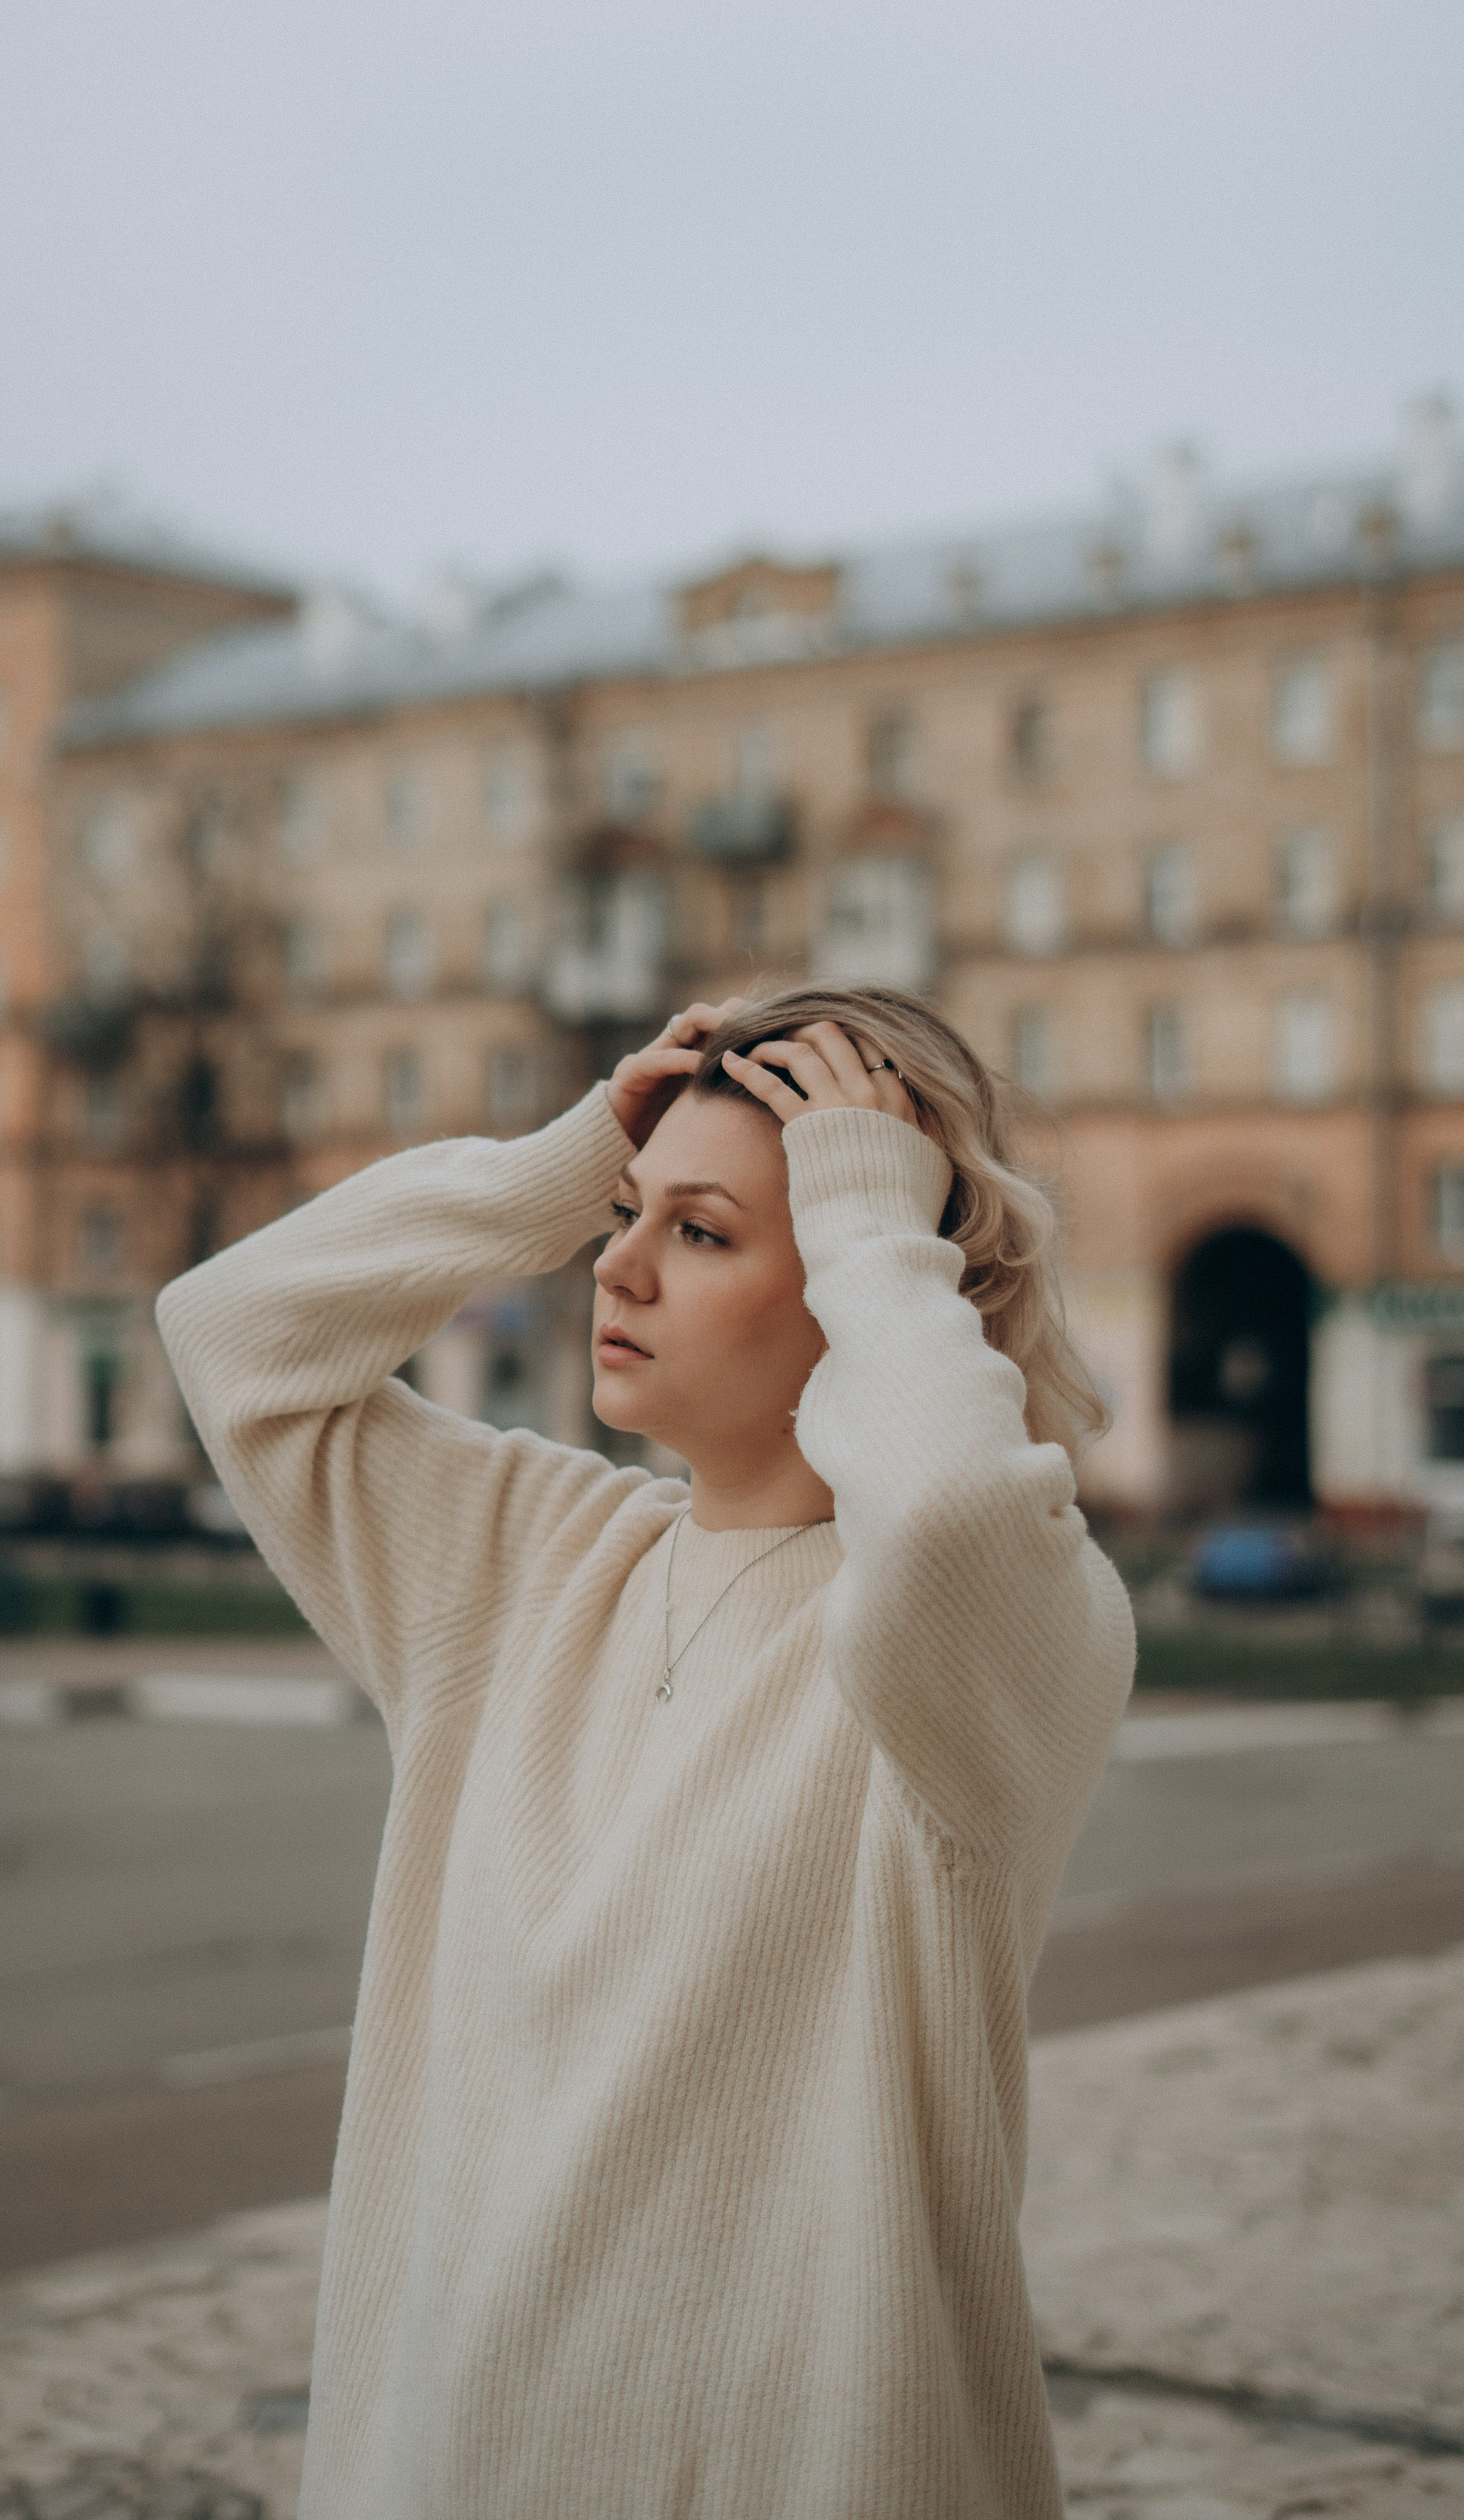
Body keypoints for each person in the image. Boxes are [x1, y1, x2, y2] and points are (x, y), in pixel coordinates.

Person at [156, 985, 1134, 2518]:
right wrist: (562, 1160)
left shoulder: (998, 1633)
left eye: (700, 1232)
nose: (612, 1267)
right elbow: (227, 1332)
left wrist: (878, 1218)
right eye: (624, 1217)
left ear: (864, 1276)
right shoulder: (523, 1560)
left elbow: (942, 1511)